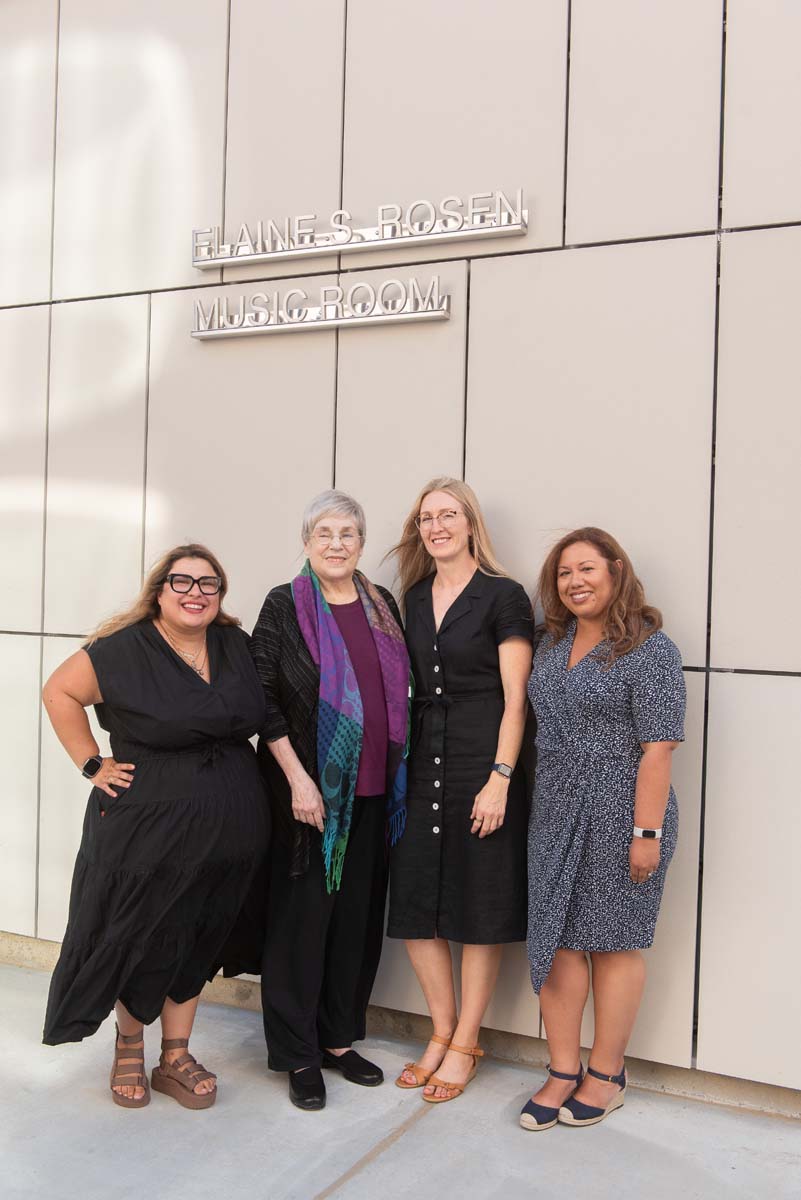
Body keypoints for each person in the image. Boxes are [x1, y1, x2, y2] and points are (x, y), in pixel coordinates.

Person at [41, 544, 269, 1110]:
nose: (196, 593)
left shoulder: (234, 644)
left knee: (200, 932)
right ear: (160, 590)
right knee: (140, 932)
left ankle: (176, 1055)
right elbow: (58, 691)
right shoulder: (124, 648)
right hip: (149, 829)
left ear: (221, 593)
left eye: (208, 584)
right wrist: (93, 763)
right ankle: (128, 1043)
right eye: (182, 582)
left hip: (229, 825)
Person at [520, 527, 685, 1131]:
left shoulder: (649, 648)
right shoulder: (549, 642)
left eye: (586, 569)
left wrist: (646, 834)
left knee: (614, 943)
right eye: (564, 574)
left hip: (622, 815)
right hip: (555, 811)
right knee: (558, 939)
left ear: (615, 571)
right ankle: (563, 1068)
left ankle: (608, 1074)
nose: (574, 582)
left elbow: (659, 750)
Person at [251, 489, 411, 1111]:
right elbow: (262, 697)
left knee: (356, 922)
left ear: (361, 543)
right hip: (311, 798)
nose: (337, 544)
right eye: (324, 532)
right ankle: (297, 1052)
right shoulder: (284, 605)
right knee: (302, 924)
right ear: (307, 541)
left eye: (348, 533)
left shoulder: (381, 603)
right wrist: (298, 779)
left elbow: (397, 692)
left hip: (374, 790)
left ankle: (338, 1039)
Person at [387, 477, 533, 1103]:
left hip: (484, 759)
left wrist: (499, 779)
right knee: (418, 900)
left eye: (449, 515)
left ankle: (468, 1039)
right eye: (426, 518)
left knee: (478, 903)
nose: (437, 526)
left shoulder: (504, 596)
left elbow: (516, 700)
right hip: (423, 764)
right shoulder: (413, 599)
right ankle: (441, 1030)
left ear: (471, 524)